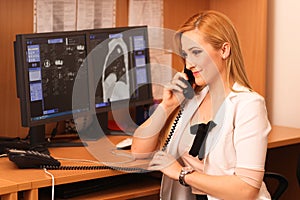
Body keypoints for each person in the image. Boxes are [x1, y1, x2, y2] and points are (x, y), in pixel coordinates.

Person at [131, 10, 271, 200]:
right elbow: (139, 152)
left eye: (196, 52)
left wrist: (181, 174)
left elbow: (246, 189)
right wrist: (167, 105)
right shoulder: (191, 98)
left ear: (224, 50)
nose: (188, 64)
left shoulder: (248, 105)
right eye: (185, 55)